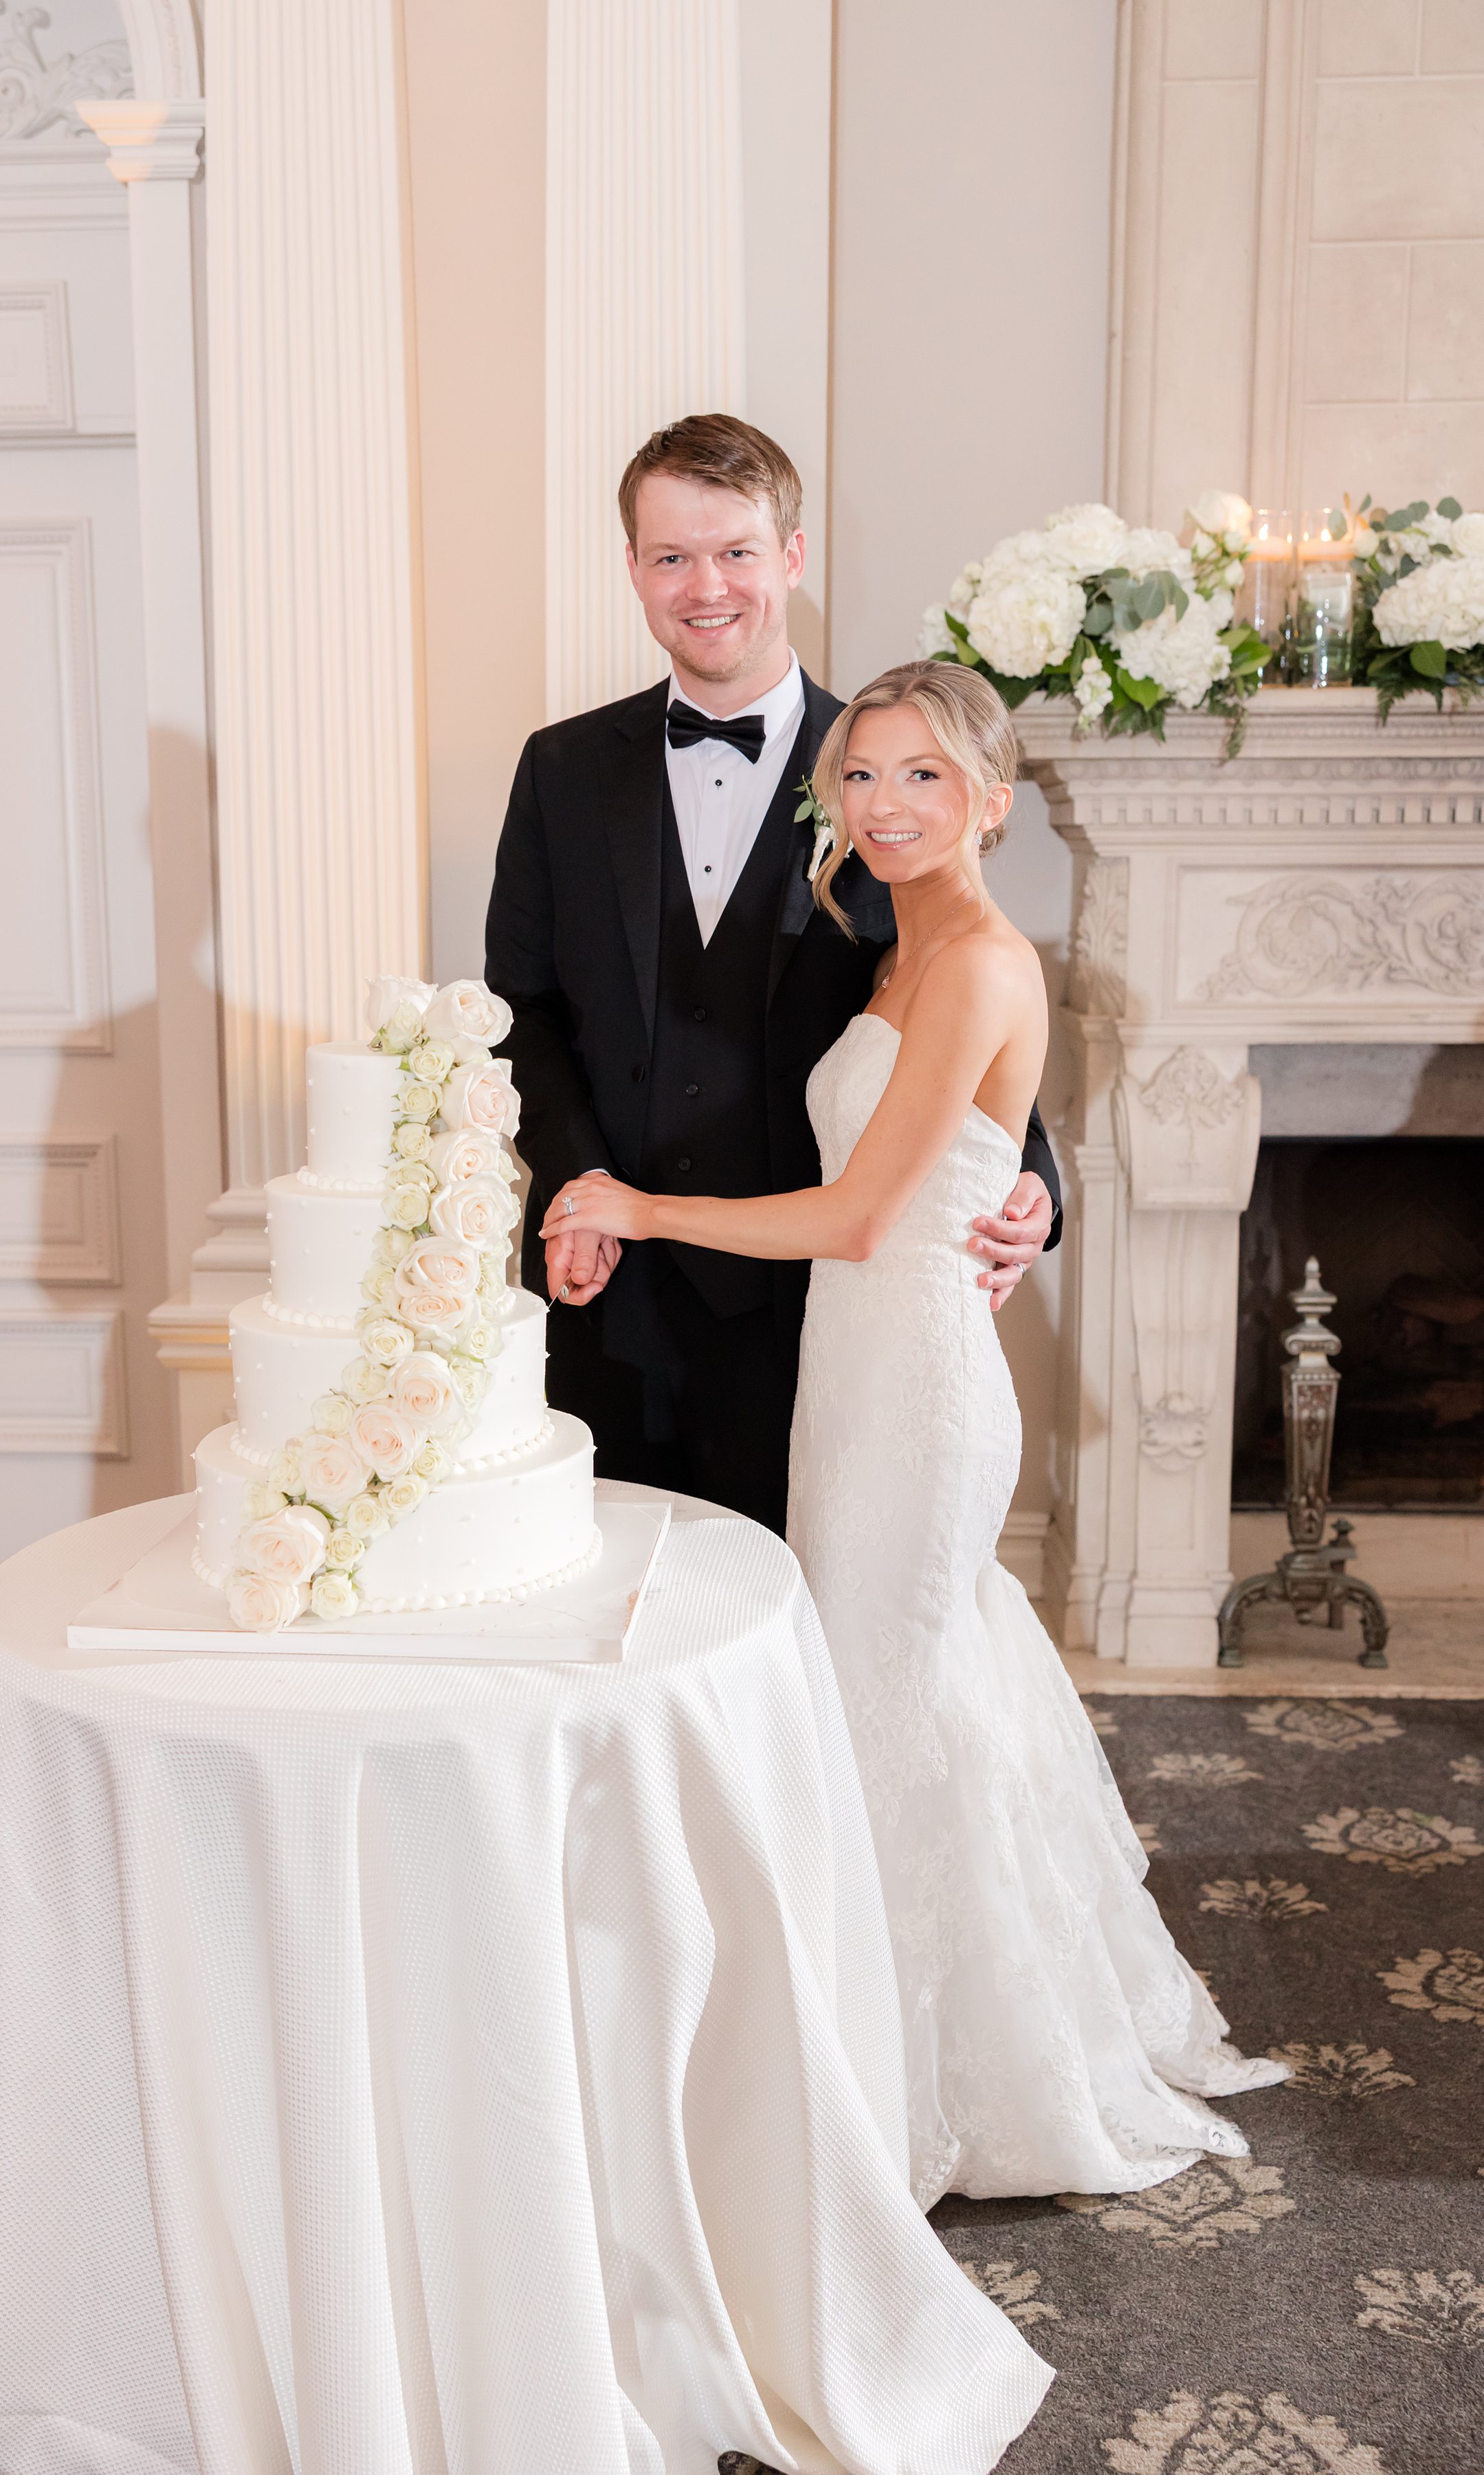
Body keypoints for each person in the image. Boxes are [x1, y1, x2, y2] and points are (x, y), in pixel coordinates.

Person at [544, 659, 1287, 2202]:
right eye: (863, 776)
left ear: (993, 801)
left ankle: (926, 2084)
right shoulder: (893, 940)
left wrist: (638, 1204)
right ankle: (885, 2045)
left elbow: (870, 1212)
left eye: (923, 778)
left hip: (922, 1388)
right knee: (904, 1700)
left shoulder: (977, 963)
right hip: (855, 1383)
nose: (884, 805)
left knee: (897, 1703)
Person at [485, 415, 1060, 1532]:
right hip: (605, 1289)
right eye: (672, 556)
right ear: (637, 570)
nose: (708, 586)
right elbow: (525, 1009)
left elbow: (962, 978)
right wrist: (579, 1191)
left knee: (790, 1624)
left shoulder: (895, 770)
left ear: (791, 558)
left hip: (815, 1297)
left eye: (737, 551)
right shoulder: (560, 769)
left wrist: (1031, 1171)